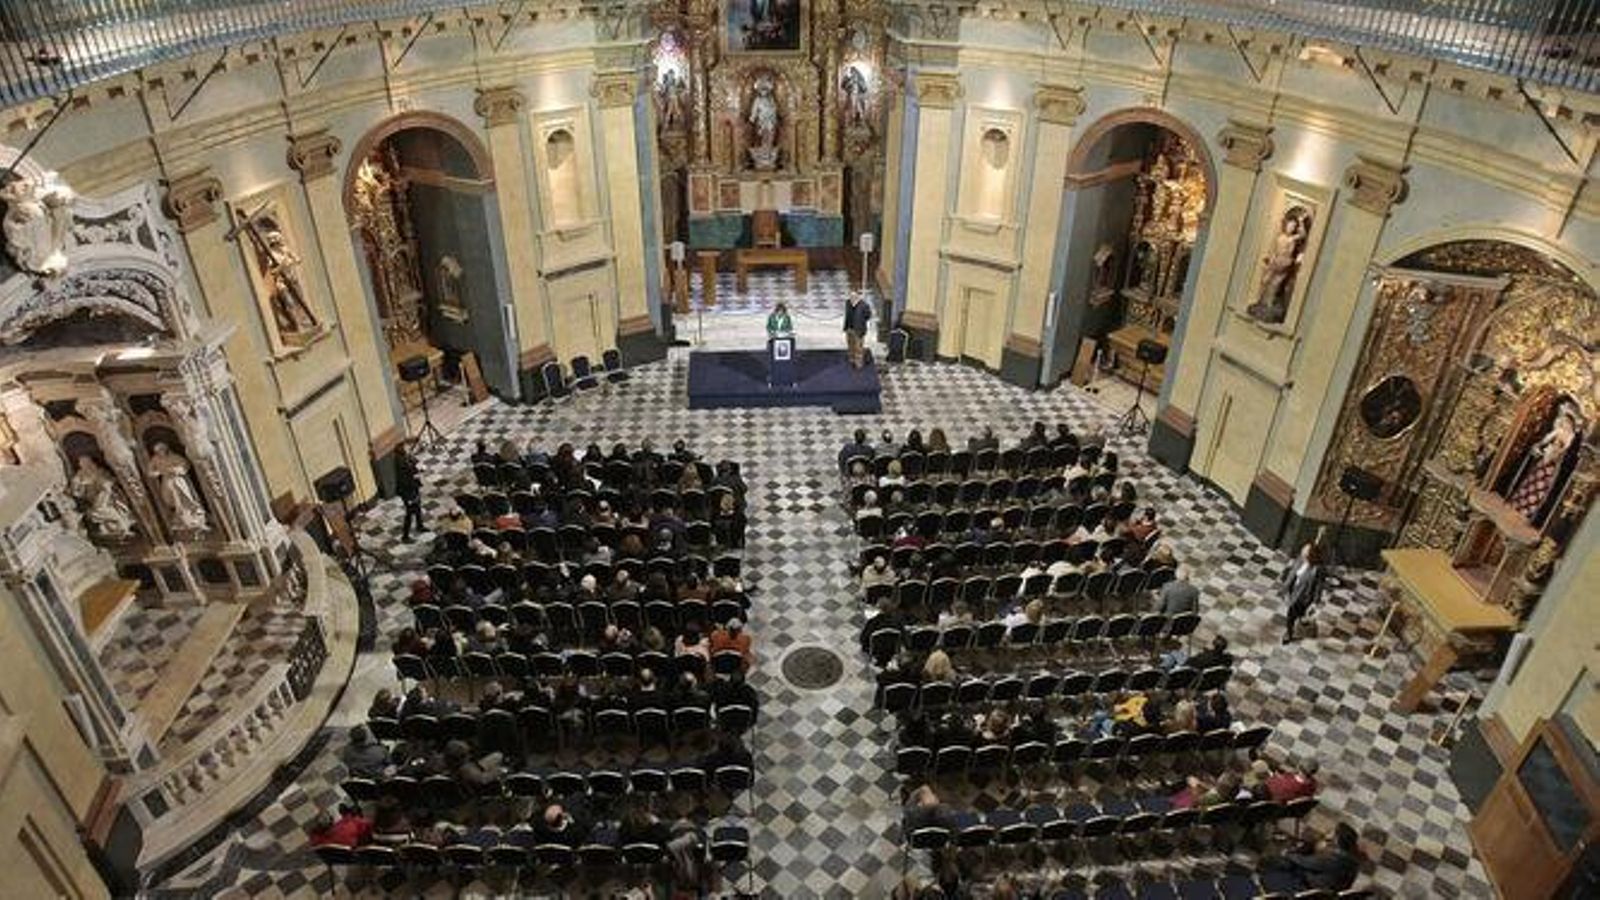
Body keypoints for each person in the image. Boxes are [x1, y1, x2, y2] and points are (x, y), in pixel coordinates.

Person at [1276, 822, 1361, 891]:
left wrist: (1288, 854)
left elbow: (1306, 862)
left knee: (1285, 864)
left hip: (1313, 888)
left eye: (1332, 831)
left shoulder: (1335, 858)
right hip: (1331, 891)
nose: (1328, 831)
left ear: (1337, 839)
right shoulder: (1352, 860)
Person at [1281, 542, 1328, 643]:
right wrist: (1286, 587)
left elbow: (1319, 587)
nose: (1302, 553)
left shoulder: (1318, 569)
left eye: (1305, 552)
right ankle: (1290, 630)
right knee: (1291, 613)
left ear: (1311, 556)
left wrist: (1315, 602)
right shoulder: (1301, 559)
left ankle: (1290, 633)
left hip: (1303, 597)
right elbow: (1293, 573)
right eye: (1303, 550)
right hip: (1293, 589)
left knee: (1292, 614)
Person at [309, 803, 374, 847]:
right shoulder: (343, 826)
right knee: (355, 809)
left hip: (341, 851)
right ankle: (351, 812)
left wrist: (315, 831)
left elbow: (314, 840)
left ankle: (348, 812)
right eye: (329, 815)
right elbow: (367, 825)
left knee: (350, 810)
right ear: (331, 821)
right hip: (357, 842)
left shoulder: (322, 841)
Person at [844, 291, 873, 368]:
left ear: (858, 297)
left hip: (859, 329)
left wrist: (861, 321)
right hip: (849, 328)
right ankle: (852, 358)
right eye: (851, 297)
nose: (852, 299)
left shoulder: (864, 305)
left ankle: (859, 362)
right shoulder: (847, 303)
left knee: (858, 347)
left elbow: (868, 316)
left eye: (854, 297)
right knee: (850, 345)